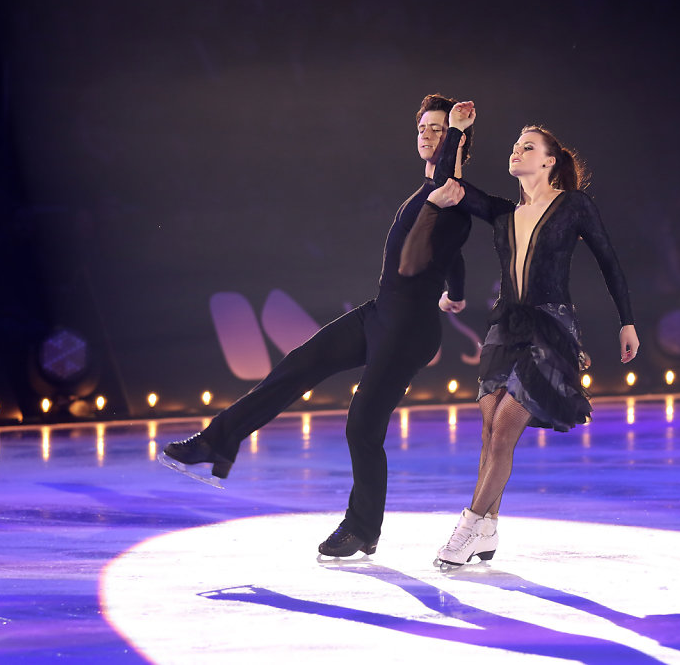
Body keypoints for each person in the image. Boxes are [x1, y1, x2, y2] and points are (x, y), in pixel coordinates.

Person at [160, 95, 476, 558]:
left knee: (362, 425)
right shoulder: (431, 192)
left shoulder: (452, 192)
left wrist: (460, 130)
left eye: (438, 129)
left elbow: (450, 203)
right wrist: (459, 292)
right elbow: (455, 253)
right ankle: (218, 441)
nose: (427, 135)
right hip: (381, 312)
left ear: (458, 143)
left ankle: (364, 527)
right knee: (297, 364)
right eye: (423, 128)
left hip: (409, 329)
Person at [402, 103, 639, 566]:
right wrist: (456, 132)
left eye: (527, 146)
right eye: (514, 146)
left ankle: (468, 525)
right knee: (491, 428)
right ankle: (488, 531)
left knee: (507, 424)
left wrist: (626, 320)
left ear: (549, 161)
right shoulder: (502, 211)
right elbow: (443, 186)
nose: (517, 151)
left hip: (550, 326)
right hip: (504, 326)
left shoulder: (573, 206)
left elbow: (609, 260)